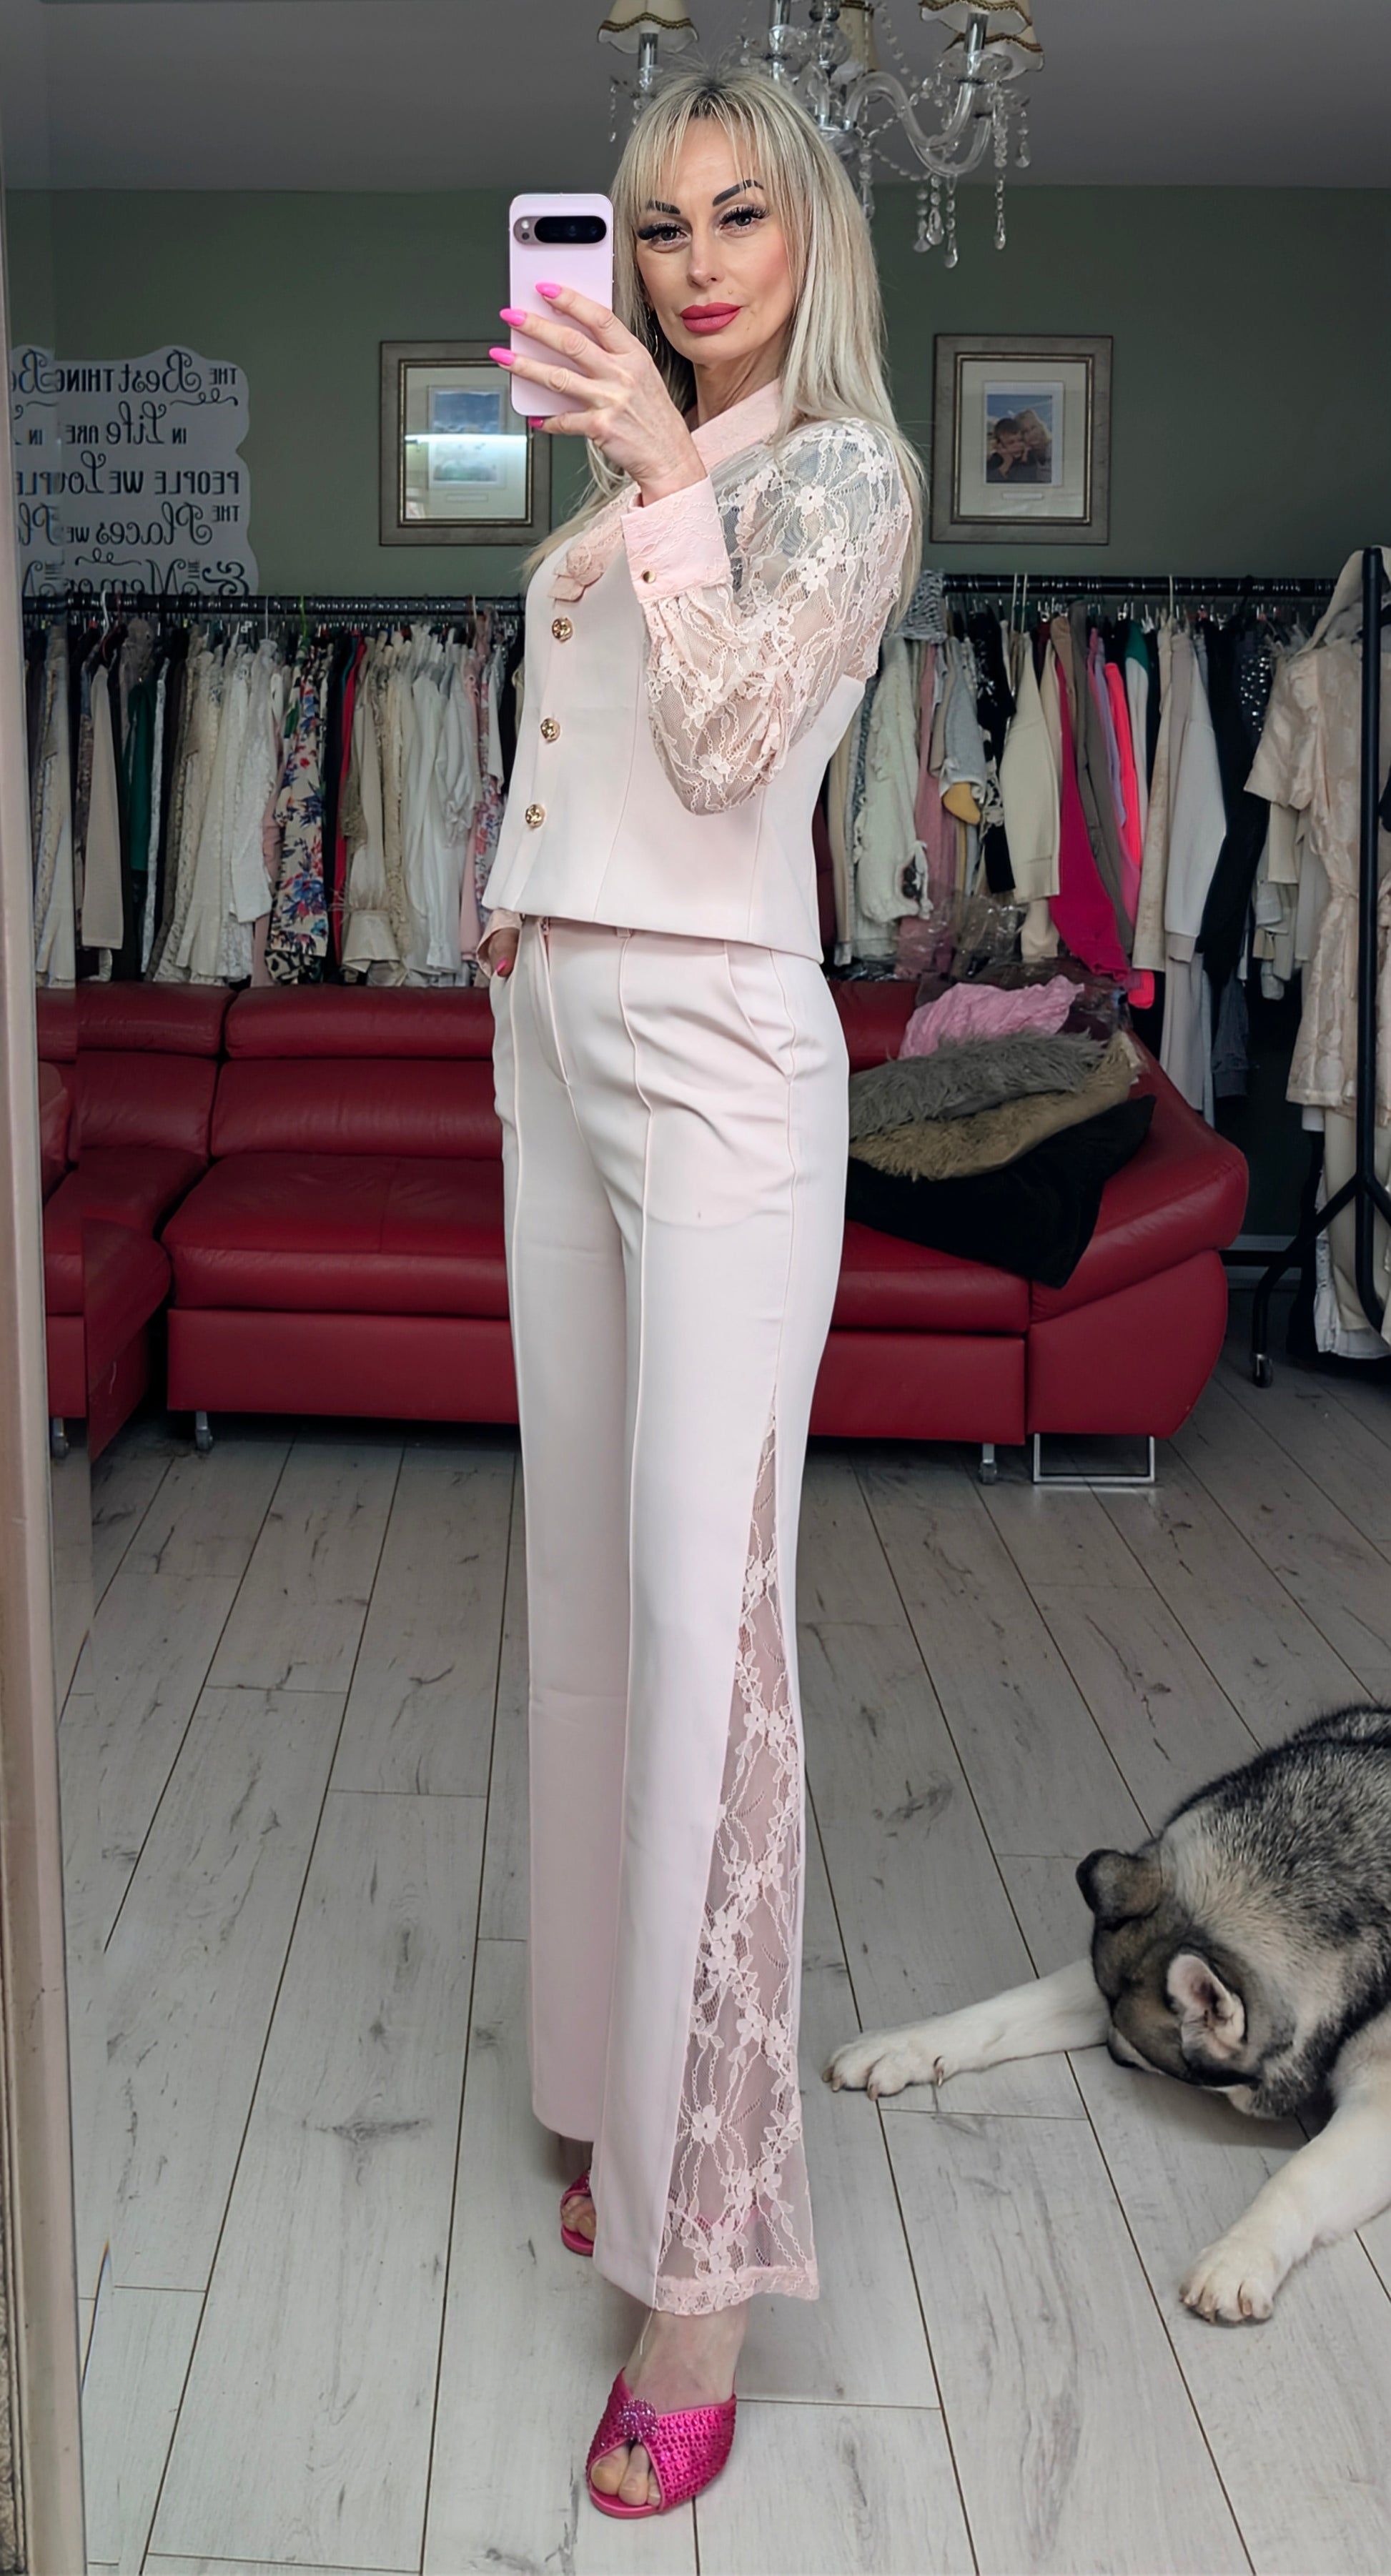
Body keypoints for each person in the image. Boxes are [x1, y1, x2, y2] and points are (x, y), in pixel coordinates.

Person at [480, 64, 919, 2520]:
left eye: (741, 216)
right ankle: (611, 2111)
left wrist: (661, 475)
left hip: (722, 1059)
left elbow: (741, 741)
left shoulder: (837, 474)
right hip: (558, 1036)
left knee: (702, 1628)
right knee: (583, 1606)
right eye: (656, 228)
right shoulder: (618, 485)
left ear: (808, 235)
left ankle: (708, 2262)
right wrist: (508, 934)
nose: (695, 264)